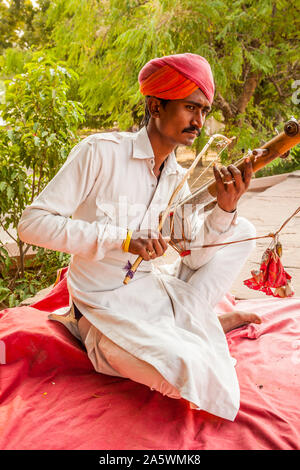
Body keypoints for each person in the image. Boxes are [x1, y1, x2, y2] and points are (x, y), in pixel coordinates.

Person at [18, 53, 261, 421]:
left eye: (205, 111)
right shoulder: (99, 153)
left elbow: (191, 256)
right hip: (103, 308)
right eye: (190, 108)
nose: (199, 122)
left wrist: (224, 208)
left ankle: (199, 319)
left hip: (150, 294)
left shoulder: (175, 175)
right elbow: (32, 224)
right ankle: (194, 325)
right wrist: (123, 239)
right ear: (155, 106)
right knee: (186, 372)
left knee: (241, 230)